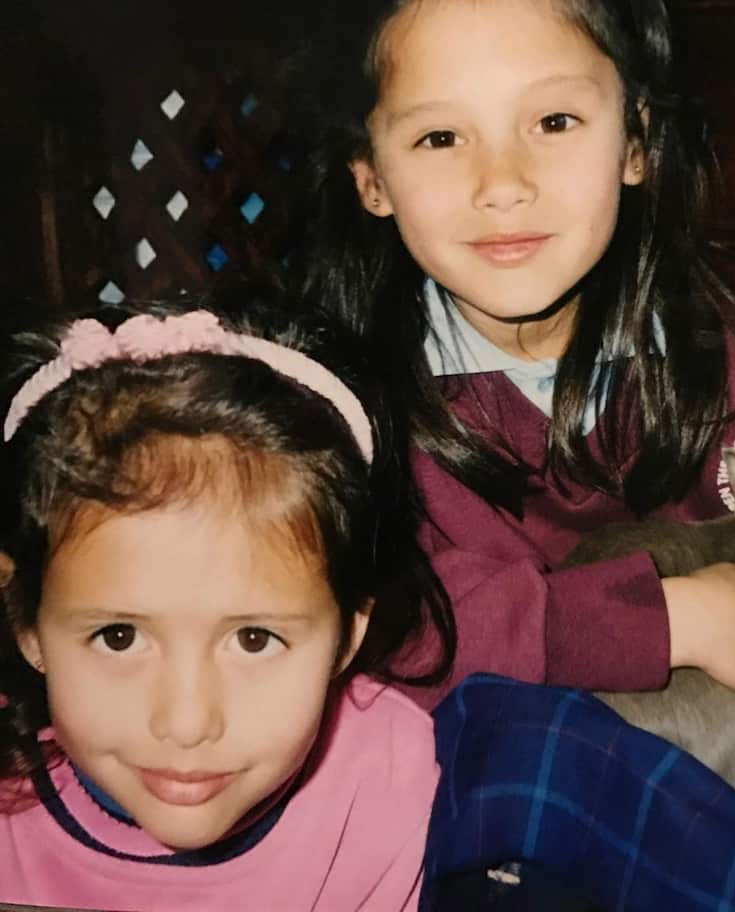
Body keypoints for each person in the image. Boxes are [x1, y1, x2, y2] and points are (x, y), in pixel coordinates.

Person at [294, 0, 735, 712]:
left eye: (554, 122)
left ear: (635, 144)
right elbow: (359, 631)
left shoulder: (734, 375)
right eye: (441, 138)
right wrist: (669, 622)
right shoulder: (339, 408)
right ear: (371, 179)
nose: (504, 185)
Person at [0, 294, 456, 909]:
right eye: (118, 636)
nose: (186, 724)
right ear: (26, 621)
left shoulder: (392, 787)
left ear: (348, 633)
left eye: (253, 638)